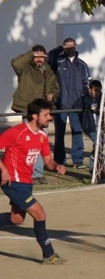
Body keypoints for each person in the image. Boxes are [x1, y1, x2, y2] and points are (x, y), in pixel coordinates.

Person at [0, 99, 68, 264]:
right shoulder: (17, 132)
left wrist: (57, 166)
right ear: (34, 115)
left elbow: (48, 162)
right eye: (46, 114)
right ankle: (49, 255)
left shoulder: (43, 136)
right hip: (13, 182)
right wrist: (4, 170)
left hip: (26, 182)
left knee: (17, 219)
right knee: (40, 213)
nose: (49, 118)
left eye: (49, 114)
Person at [10, 45, 60, 184]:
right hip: (28, 109)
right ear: (32, 56)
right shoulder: (25, 68)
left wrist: (52, 95)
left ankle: (37, 173)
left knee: (40, 141)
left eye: (42, 57)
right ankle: (25, 171)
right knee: (27, 142)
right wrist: (31, 53)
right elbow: (15, 63)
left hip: (43, 111)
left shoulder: (48, 70)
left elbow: (56, 87)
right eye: (37, 56)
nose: (39, 59)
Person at [48, 38, 90, 169]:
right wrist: (60, 48)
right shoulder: (58, 62)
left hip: (77, 105)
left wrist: (85, 101)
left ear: (76, 47)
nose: (70, 50)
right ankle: (60, 160)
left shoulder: (82, 65)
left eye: (72, 47)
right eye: (67, 48)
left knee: (77, 131)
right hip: (61, 104)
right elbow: (49, 58)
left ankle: (78, 160)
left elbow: (86, 84)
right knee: (59, 133)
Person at [73, 80, 105, 173]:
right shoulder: (84, 99)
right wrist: (88, 106)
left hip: (100, 126)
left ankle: (96, 167)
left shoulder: (101, 98)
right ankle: (93, 168)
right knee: (98, 145)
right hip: (90, 126)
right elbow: (75, 106)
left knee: (99, 146)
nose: (97, 93)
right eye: (95, 90)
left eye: (99, 91)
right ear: (90, 90)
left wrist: (104, 102)